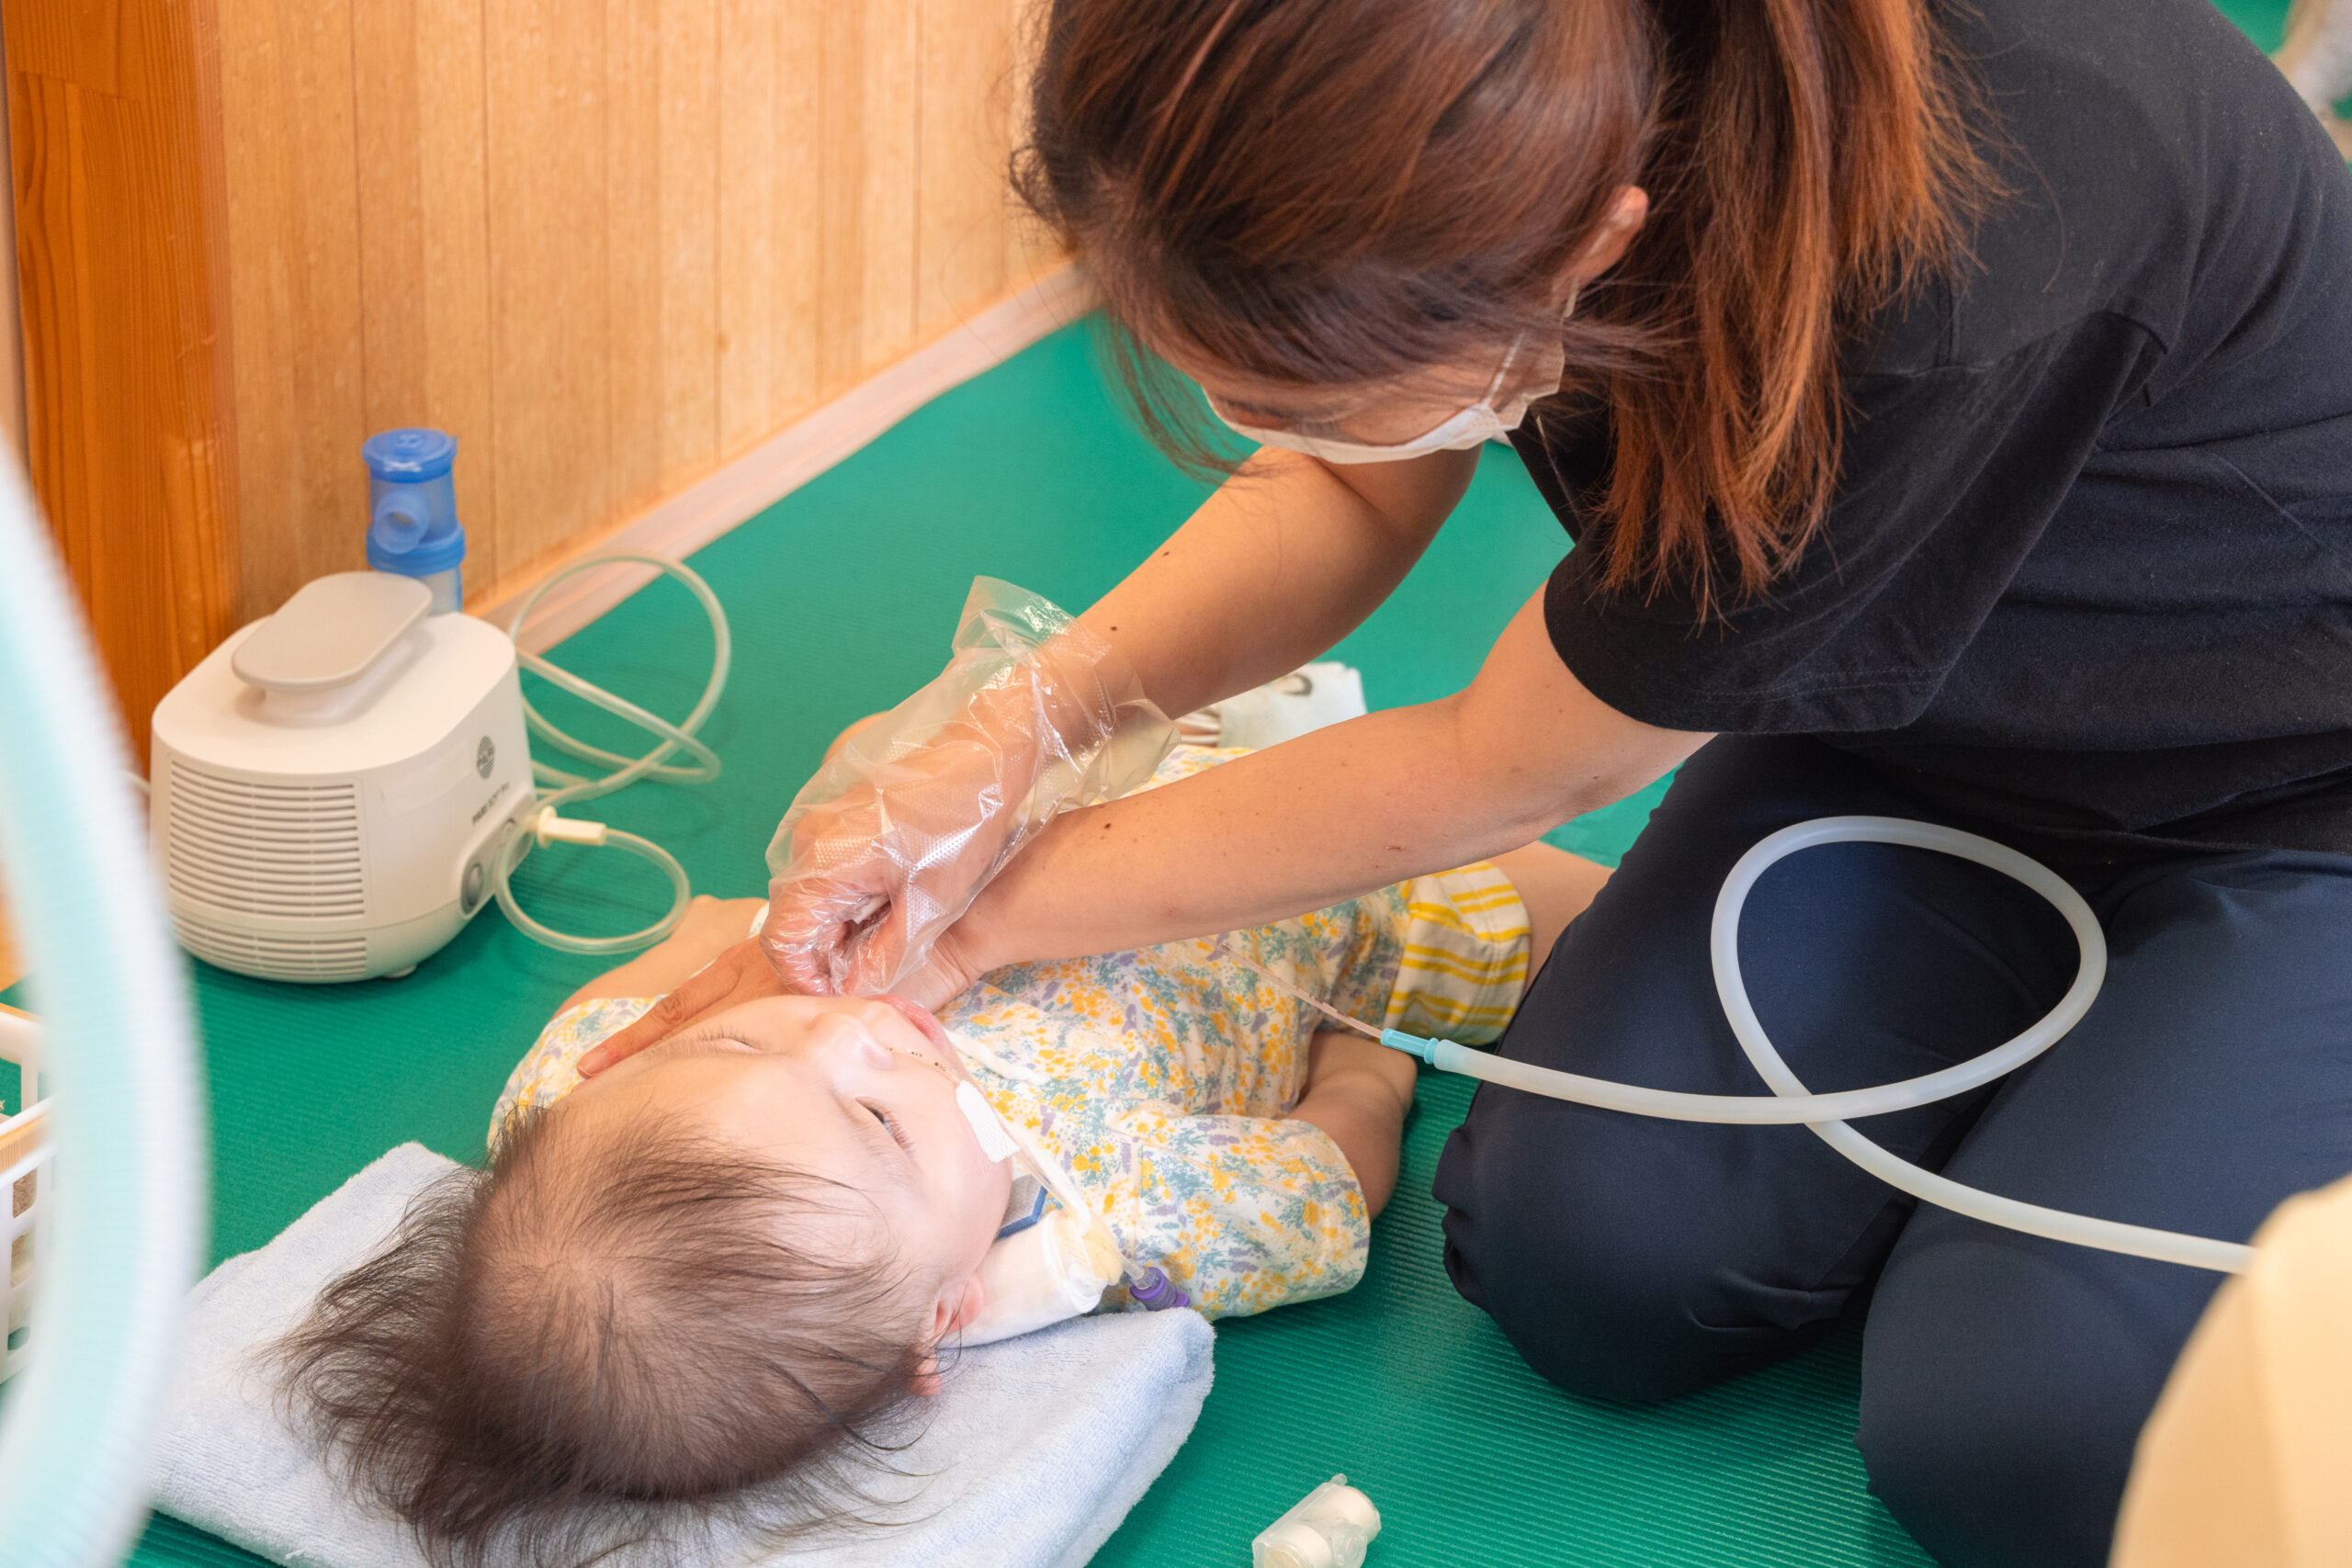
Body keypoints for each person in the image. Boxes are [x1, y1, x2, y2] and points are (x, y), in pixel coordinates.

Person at [586, 2, 2352, 1562]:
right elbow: (1352, 480)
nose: (845, 1043)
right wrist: (1019, 730)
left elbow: (1494, 769)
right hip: (1903, 729)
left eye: (1321, 381)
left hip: (2297, 785)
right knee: (1585, 1262)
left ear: (1601, 228)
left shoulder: (1967, 240)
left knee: (2021, 1443)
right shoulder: (1472, 94)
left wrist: (975, 919)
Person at [279, 755, 1602, 1566]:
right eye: (877, 1121)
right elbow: (1326, 1182)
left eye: (753, 1050)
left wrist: (737, 964)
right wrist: (1360, 1066)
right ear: (945, 1318)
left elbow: (659, 978)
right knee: (1572, 918)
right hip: (1328, 896)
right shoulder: (1108, 1220)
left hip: (1048, 811)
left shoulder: (580, 1117)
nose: (856, 1034)